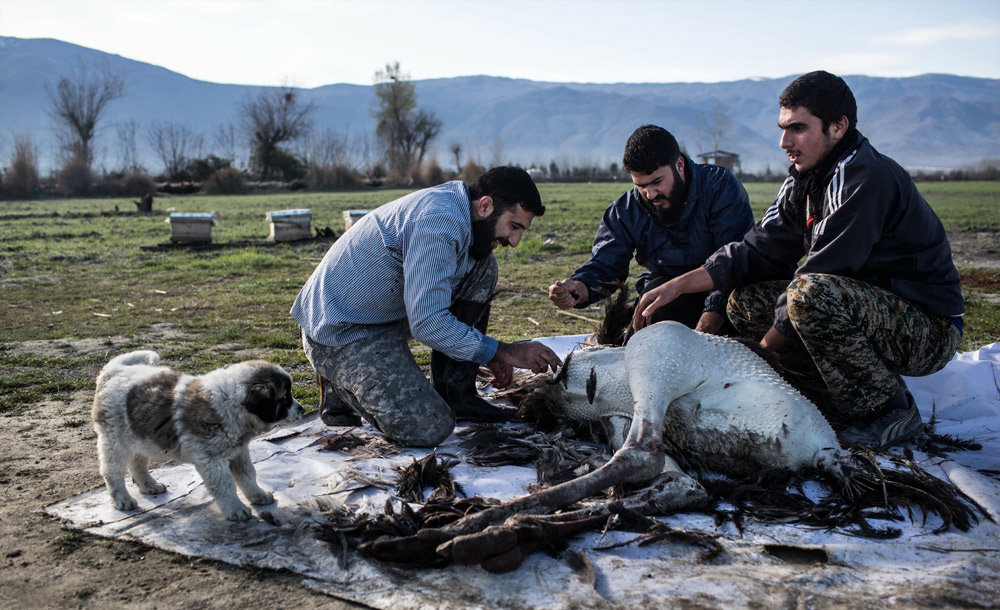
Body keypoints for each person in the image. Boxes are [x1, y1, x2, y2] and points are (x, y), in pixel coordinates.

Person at [632, 71, 964, 449]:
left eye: (798, 128)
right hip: (869, 308)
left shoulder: (864, 177)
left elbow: (820, 274)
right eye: (782, 129)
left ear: (838, 127)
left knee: (808, 296)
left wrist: (756, 363)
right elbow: (756, 249)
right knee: (743, 302)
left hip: (927, 327)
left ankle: (889, 409)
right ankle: (838, 387)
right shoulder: (803, 179)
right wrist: (677, 285)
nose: (783, 142)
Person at [291, 166, 562, 447]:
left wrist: (488, 353)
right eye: (514, 226)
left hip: (382, 316)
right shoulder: (437, 223)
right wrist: (503, 351)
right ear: (485, 206)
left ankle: (457, 395)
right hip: (341, 330)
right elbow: (428, 323)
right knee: (429, 427)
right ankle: (339, 381)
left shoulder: (459, 212)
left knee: (483, 267)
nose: (515, 242)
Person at [548, 124, 754, 332]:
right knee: (651, 310)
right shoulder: (626, 210)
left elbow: (732, 264)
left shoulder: (719, 187)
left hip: (725, 291)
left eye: (657, 182)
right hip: (670, 292)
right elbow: (606, 265)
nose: (651, 194)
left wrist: (704, 331)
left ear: (679, 165)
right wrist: (577, 288)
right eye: (641, 186)